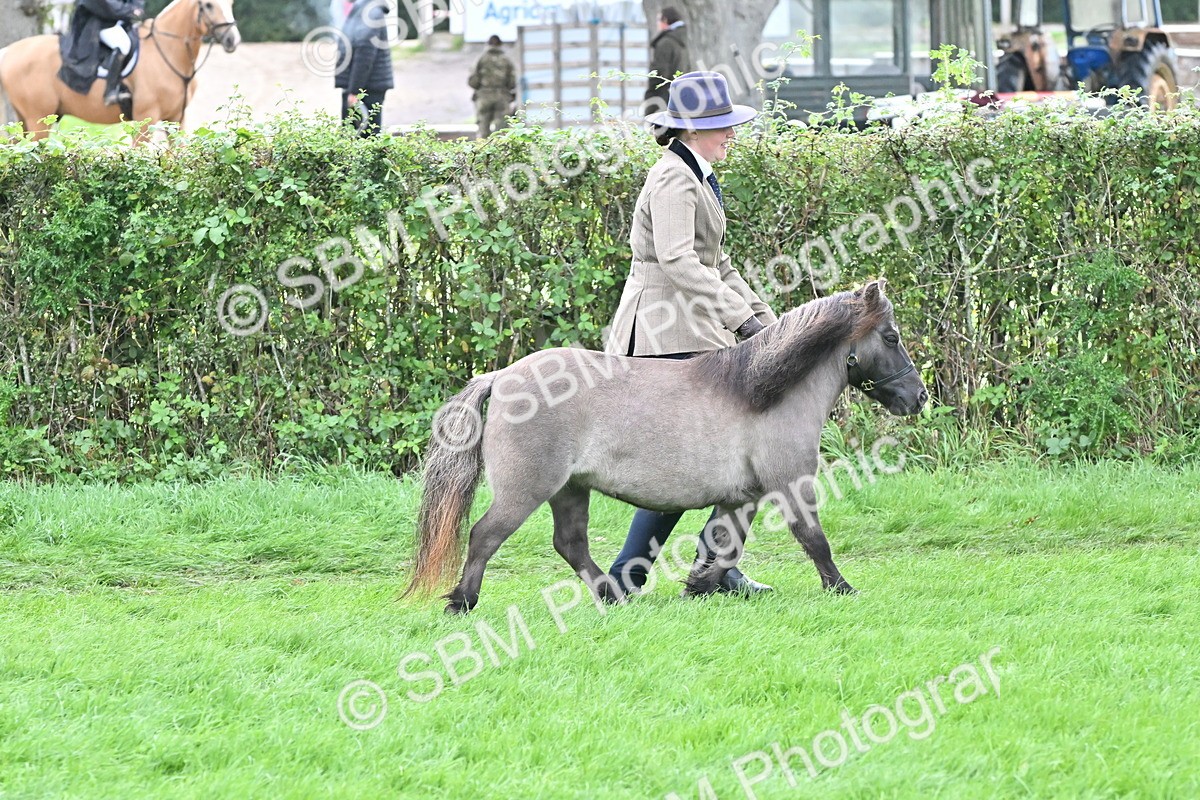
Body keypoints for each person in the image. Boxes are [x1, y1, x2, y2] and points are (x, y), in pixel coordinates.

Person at [605, 71, 777, 597]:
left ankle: (704, 570)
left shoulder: (696, 173)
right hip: (665, 329)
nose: (731, 134)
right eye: (722, 126)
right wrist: (739, 321)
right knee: (705, 457)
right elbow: (679, 261)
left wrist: (766, 321)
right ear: (692, 129)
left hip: (692, 323)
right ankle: (646, 574)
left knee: (724, 454)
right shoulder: (674, 179)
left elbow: (717, 262)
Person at [58, 0, 146, 106]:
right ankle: (110, 91)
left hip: (120, 21)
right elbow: (105, 3)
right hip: (98, 23)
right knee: (123, 45)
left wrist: (137, 8)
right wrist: (130, 10)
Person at [335, 0, 395, 138]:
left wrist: (354, 91)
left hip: (366, 89)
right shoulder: (362, 9)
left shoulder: (371, 12)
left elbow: (364, 55)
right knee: (353, 137)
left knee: (365, 139)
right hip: (362, 86)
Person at [643, 6, 689, 116]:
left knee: (659, 130)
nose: (657, 24)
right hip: (679, 97)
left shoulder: (666, 43)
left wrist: (651, 95)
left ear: (665, 20)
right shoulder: (681, 41)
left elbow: (659, 72)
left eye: (659, 20)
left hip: (662, 98)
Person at [469, 35, 517, 139]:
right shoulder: (506, 60)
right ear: (500, 45)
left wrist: (480, 88)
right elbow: (513, 81)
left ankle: (483, 151)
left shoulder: (481, 58)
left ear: (488, 44)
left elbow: (472, 80)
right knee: (502, 129)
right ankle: (500, 152)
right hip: (502, 96)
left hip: (484, 96)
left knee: (483, 127)